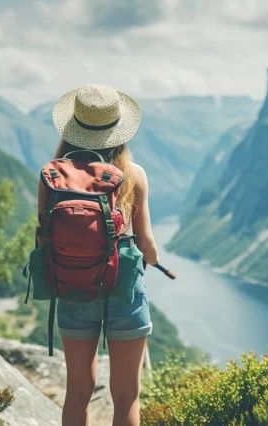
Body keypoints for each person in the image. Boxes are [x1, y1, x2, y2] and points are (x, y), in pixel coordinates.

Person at [43, 83, 159, 425]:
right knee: (125, 397)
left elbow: (42, 238)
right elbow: (148, 245)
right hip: (123, 288)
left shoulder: (52, 175)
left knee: (77, 392)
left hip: (72, 286)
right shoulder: (133, 175)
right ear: (119, 131)